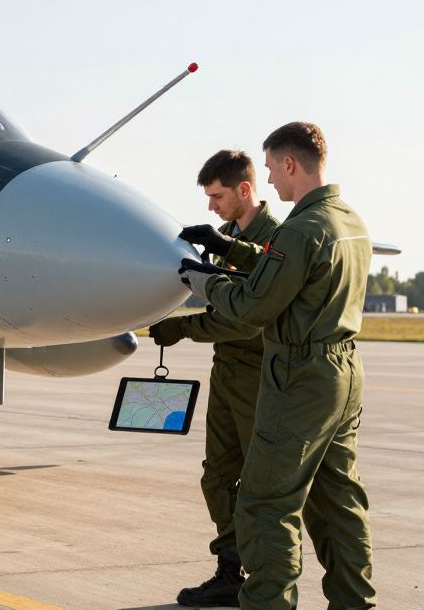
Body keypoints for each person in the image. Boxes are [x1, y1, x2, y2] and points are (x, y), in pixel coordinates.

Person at [179, 122, 375, 610]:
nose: (269, 180)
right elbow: (288, 273)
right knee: (337, 503)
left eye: (270, 168)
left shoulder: (302, 228)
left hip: (300, 376)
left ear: (290, 163)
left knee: (266, 503)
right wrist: (231, 249)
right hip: (343, 373)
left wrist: (204, 282)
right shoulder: (348, 221)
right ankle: (354, 602)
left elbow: (252, 307)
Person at [149, 150, 279, 607]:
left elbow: (248, 319)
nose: (212, 207)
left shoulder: (278, 241)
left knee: (260, 481)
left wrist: (182, 328)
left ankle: (266, 576)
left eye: (218, 196)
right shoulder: (223, 237)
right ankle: (230, 567)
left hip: (260, 373)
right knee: (217, 477)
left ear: (245, 190)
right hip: (226, 370)